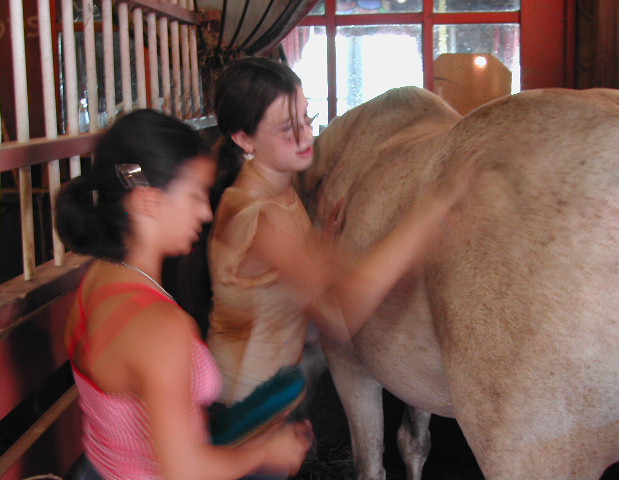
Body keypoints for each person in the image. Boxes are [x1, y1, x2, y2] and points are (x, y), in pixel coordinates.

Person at [56, 109, 312, 480]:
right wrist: (266, 452)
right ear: (148, 202)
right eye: (195, 195)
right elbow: (186, 470)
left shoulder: (98, 279)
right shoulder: (161, 327)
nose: (206, 212)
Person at [207, 57, 473, 414]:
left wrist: (323, 239)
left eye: (306, 116)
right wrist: (429, 211)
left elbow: (296, 268)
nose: (306, 135)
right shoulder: (258, 218)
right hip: (246, 406)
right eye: (287, 128)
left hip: (278, 389)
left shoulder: (280, 188)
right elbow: (339, 318)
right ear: (244, 139)